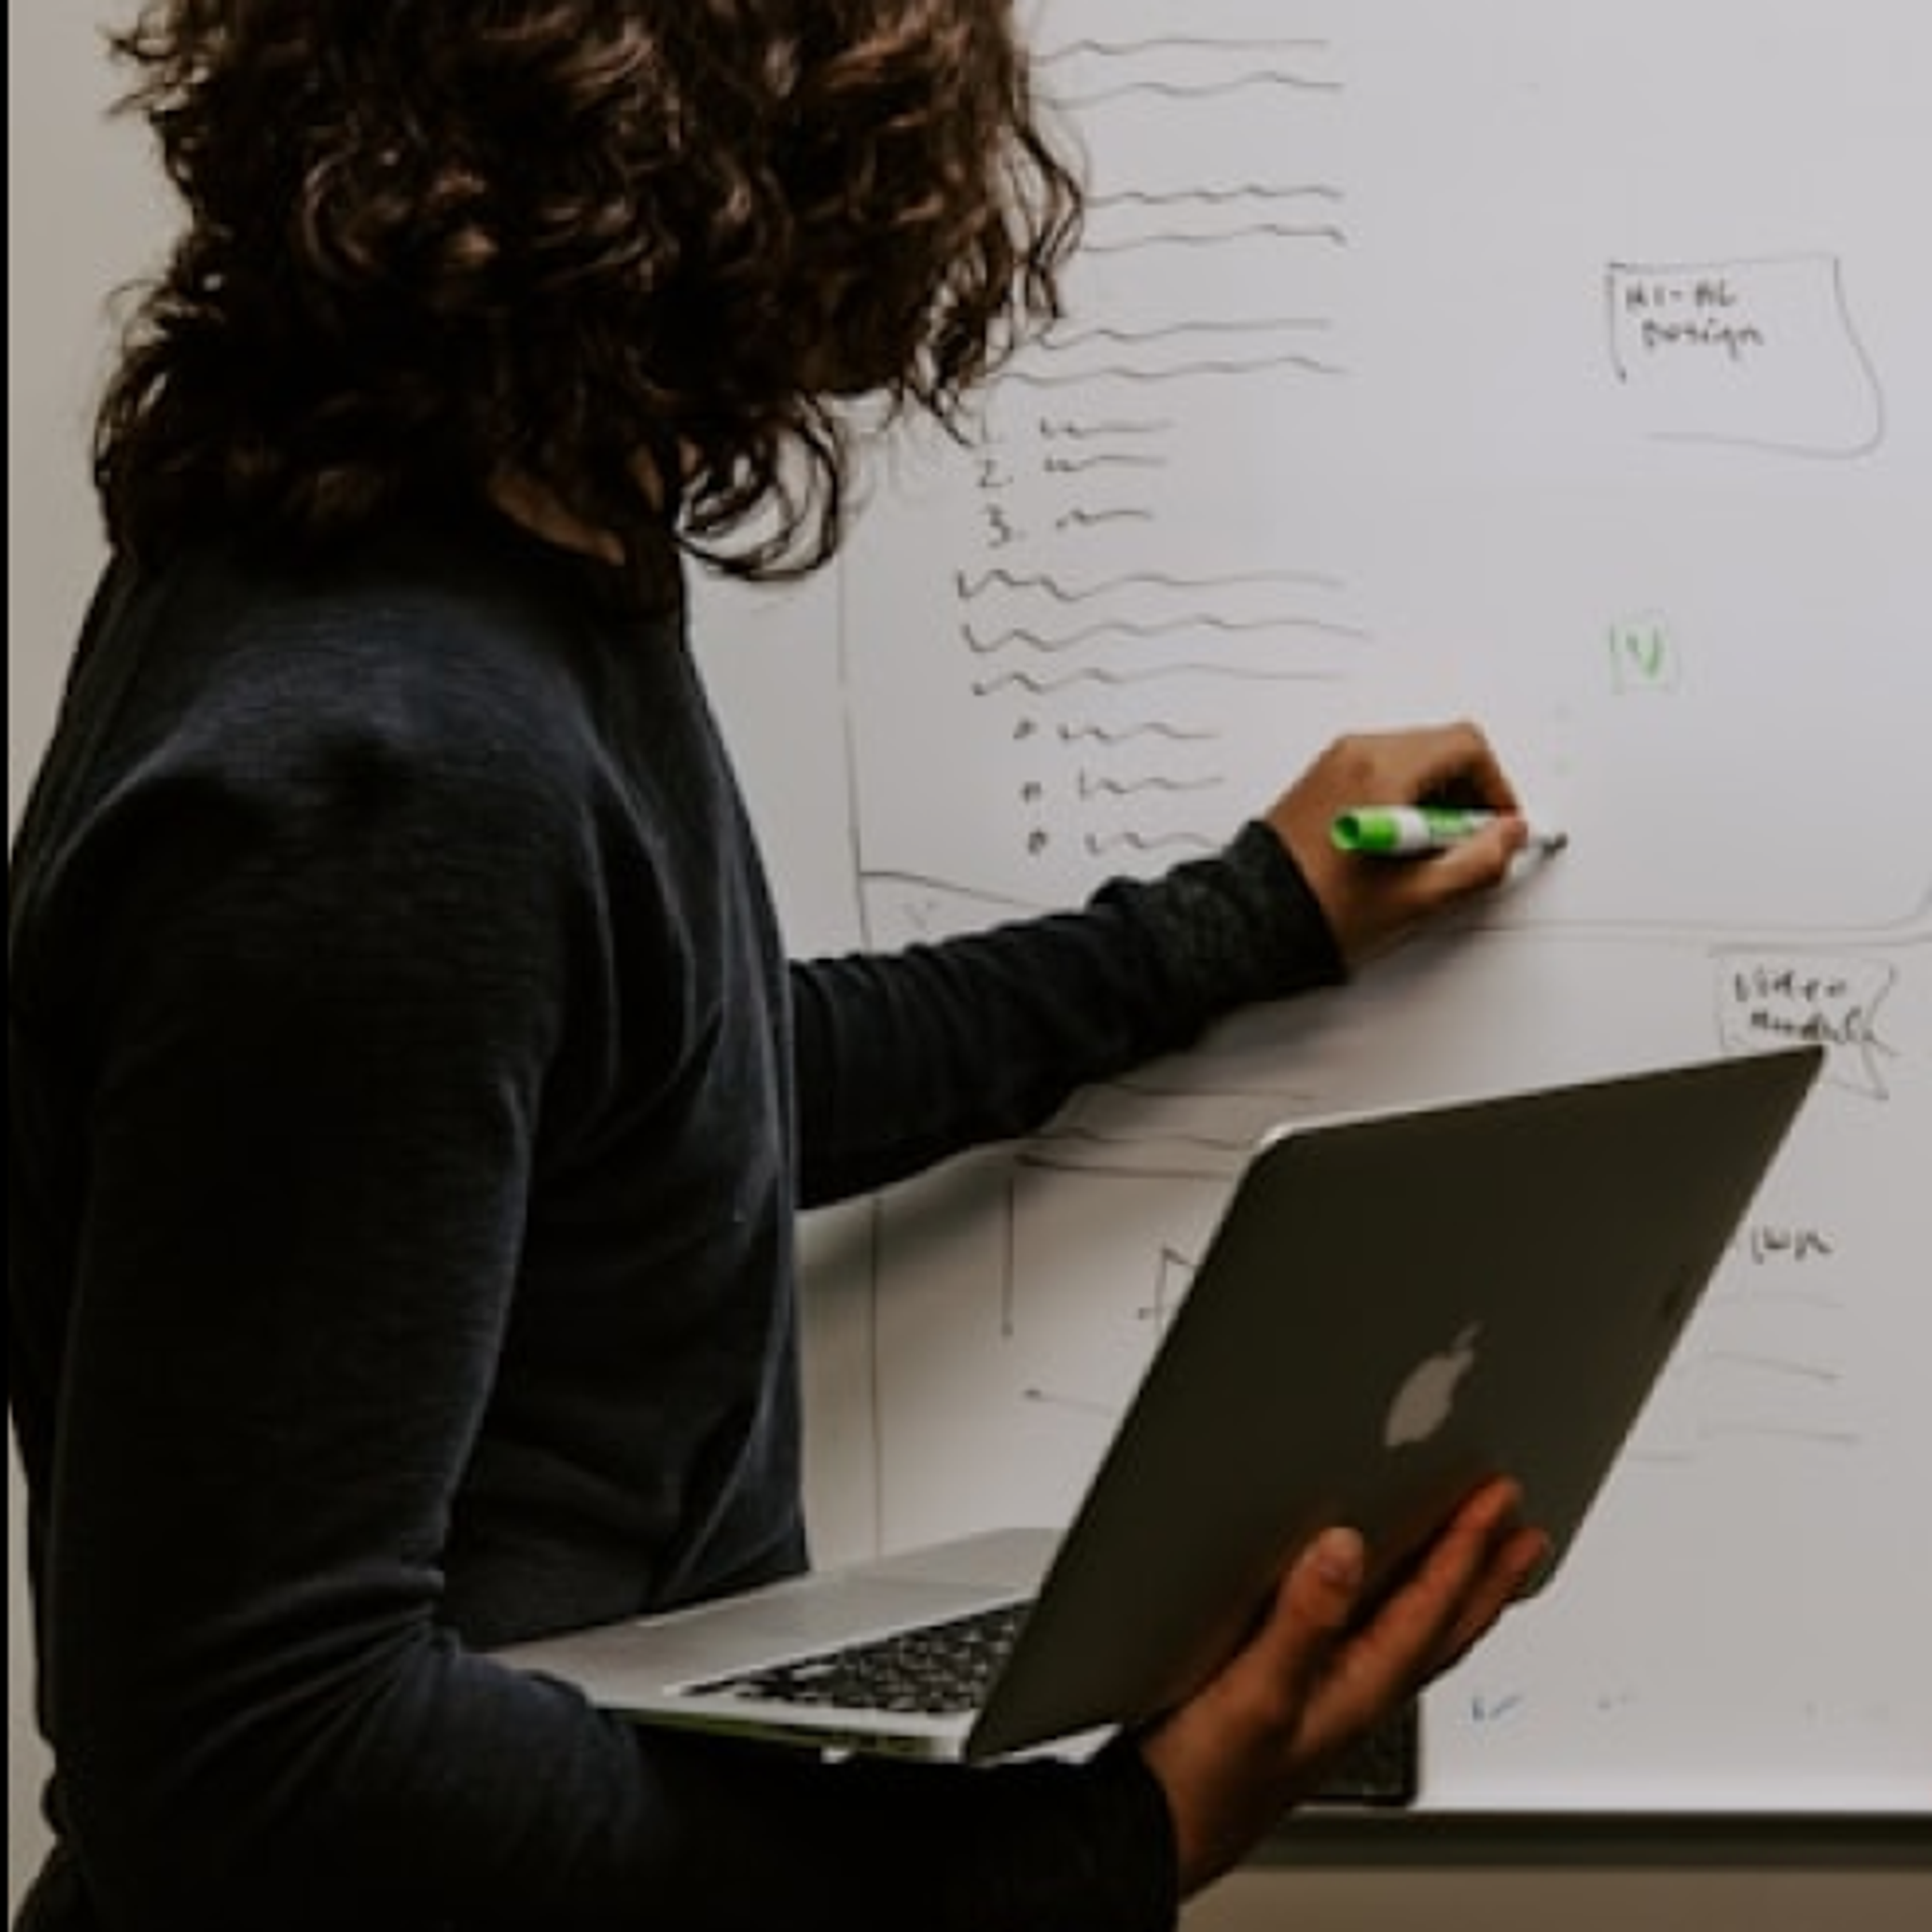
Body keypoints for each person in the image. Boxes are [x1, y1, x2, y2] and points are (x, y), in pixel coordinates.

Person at [7, 5, 1551, 1927]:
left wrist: (1241, 920)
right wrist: (1097, 1854)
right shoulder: (383, 764)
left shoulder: (466, 545)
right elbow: (259, 1748)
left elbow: (664, 1096)